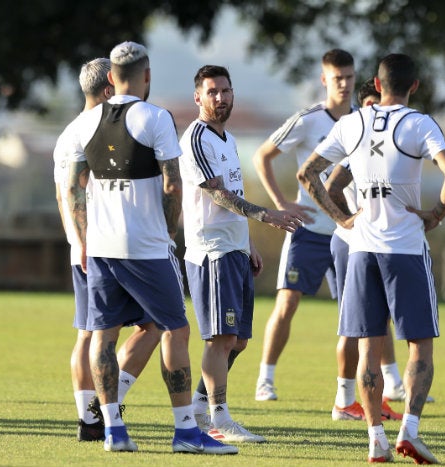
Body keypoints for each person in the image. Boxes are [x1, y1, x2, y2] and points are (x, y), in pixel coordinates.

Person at [67, 41, 236, 455]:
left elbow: (74, 188)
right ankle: (184, 432)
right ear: (147, 76)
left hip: (102, 248)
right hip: (147, 247)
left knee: (102, 336)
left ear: (111, 78)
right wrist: (168, 232)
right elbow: (172, 184)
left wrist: (85, 238)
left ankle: (112, 430)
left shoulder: (82, 125)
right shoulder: (156, 118)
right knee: (175, 329)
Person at [298, 53, 445, 464]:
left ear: (375, 82)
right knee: (419, 346)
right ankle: (409, 432)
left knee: (370, 347)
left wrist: (342, 219)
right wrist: (437, 214)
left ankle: (376, 439)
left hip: (361, 250)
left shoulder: (352, 122)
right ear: (415, 86)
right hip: (405, 248)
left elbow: (308, 173)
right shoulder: (419, 123)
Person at [179, 65, 301, 443]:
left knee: (238, 340)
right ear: (198, 96)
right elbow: (217, 194)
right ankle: (218, 419)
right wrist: (266, 216)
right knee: (220, 338)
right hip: (212, 250)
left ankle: (201, 406)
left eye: (226, 91)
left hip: (233, 248)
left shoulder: (227, 140)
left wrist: (247, 243)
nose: (220, 98)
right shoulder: (196, 138)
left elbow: (232, 193)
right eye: (212, 91)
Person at [53, 58, 161, 442]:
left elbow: (61, 193)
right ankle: (97, 412)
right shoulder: (90, 132)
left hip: (89, 246)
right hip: (100, 248)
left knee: (94, 333)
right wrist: (83, 241)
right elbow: (76, 188)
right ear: (106, 90)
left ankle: (92, 418)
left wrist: (75, 239)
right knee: (143, 326)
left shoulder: (69, 133)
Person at [252, 49, 356, 401]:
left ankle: (388, 381)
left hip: (350, 233)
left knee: (362, 309)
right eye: (336, 78)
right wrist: (282, 204)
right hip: (309, 231)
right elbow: (262, 155)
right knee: (287, 303)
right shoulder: (307, 120)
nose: (343, 84)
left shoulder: (364, 121)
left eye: (349, 77)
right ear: (324, 80)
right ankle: (265, 378)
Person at [326, 78, 401, 422]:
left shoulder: (385, 144)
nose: (376, 111)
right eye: (370, 106)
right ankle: (343, 401)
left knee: (376, 323)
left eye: (379, 105)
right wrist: (346, 220)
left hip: (376, 243)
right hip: (351, 244)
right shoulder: (355, 143)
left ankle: (375, 396)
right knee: (352, 325)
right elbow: (327, 185)